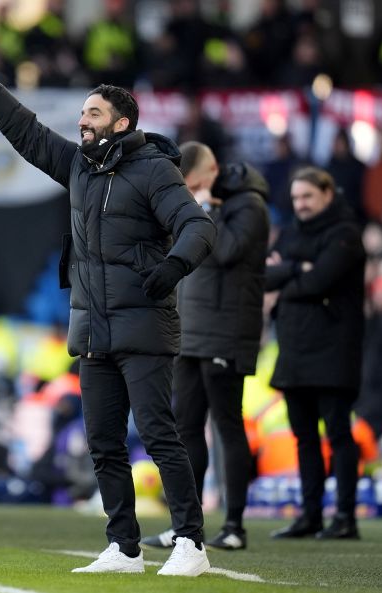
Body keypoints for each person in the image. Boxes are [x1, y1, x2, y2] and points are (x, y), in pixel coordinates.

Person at [0, 57, 215, 577]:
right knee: (103, 442)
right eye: (83, 112)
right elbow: (28, 133)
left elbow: (197, 227)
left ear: (122, 123)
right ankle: (125, 548)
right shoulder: (80, 167)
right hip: (93, 328)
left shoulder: (156, 169)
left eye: (93, 112)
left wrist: (174, 267)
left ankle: (192, 544)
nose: (82, 120)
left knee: (157, 435)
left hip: (145, 325)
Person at [142, 142, 269, 551]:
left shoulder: (249, 205)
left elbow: (227, 250)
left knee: (227, 426)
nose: (186, 190)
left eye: (191, 182)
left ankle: (234, 526)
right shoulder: (198, 204)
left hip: (227, 329)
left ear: (209, 172)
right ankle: (185, 526)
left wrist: (206, 208)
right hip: (191, 330)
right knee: (186, 427)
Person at [265, 167, 365, 540]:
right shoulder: (291, 233)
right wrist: (297, 270)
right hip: (293, 349)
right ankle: (310, 516)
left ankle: (345, 517)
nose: (301, 205)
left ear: (327, 193)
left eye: (307, 196)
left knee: (339, 434)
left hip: (334, 350)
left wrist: (289, 276)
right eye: (296, 198)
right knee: (303, 437)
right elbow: (267, 276)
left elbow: (320, 281)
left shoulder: (346, 234)